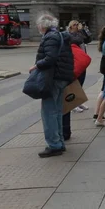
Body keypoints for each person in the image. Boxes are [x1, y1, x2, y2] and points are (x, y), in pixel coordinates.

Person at [29, 14, 75, 158]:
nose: (37, 28)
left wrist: (37, 65)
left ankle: (54, 145)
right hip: (61, 78)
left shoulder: (50, 37)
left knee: (48, 112)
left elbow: (50, 58)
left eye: (38, 25)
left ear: (43, 26)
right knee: (56, 111)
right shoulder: (60, 35)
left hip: (53, 78)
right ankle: (59, 142)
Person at [67, 20, 92, 114]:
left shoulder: (80, 33)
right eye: (74, 25)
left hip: (82, 62)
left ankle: (79, 102)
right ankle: (73, 105)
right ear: (70, 27)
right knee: (75, 84)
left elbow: (89, 39)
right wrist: (81, 31)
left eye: (77, 24)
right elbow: (77, 40)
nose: (76, 26)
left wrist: (85, 30)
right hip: (75, 62)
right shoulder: (69, 35)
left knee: (81, 83)